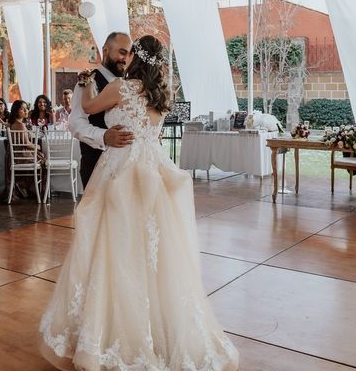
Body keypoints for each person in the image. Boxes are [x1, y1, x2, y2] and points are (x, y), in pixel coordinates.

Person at [38, 36, 240, 369]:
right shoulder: (162, 94)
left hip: (120, 169)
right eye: (121, 49)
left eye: (129, 51)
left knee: (116, 249)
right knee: (153, 252)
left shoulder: (121, 87)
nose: (125, 55)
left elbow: (88, 109)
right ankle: (159, 331)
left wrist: (86, 85)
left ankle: (113, 330)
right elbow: (148, 132)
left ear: (135, 56)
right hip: (151, 169)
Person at [69, 31, 135, 187]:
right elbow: (75, 122)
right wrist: (103, 136)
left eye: (129, 54)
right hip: (96, 166)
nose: (125, 59)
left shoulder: (128, 84)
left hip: (124, 168)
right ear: (105, 50)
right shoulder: (88, 81)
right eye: (122, 52)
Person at [6, 100, 44, 200]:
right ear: (16, 111)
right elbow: (26, 143)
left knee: (40, 156)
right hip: (21, 155)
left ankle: (23, 186)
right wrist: (38, 147)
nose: (26, 111)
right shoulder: (20, 124)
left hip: (13, 156)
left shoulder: (11, 123)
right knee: (44, 162)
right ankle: (37, 190)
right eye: (23, 109)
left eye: (26, 108)